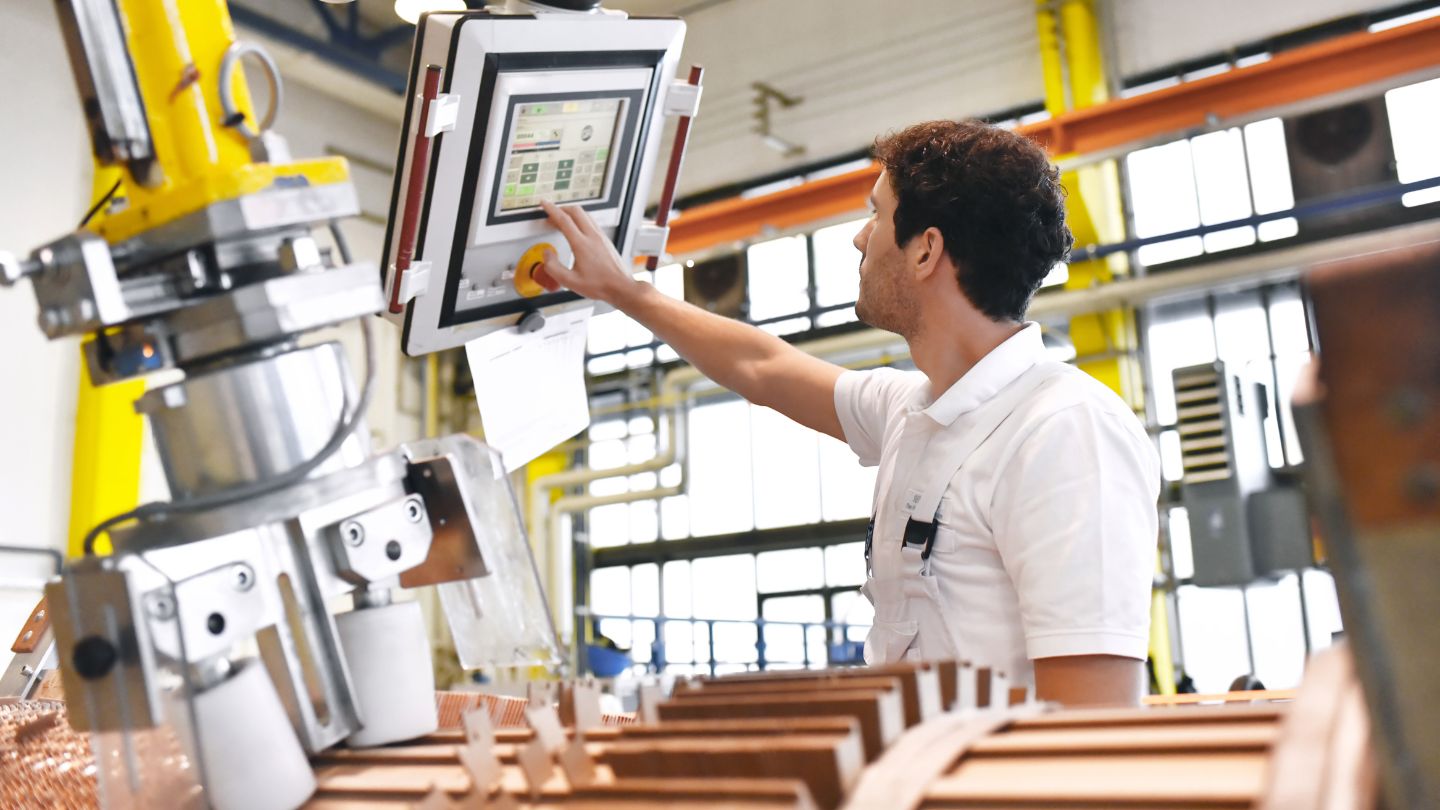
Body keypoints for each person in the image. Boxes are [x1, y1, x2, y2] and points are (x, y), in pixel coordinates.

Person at [536, 119, 1160, 707]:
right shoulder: (914, 412)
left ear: (926, 251)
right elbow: (762, 368)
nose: (859, 238)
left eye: (877, 215)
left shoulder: (1063, 431)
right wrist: (623, 290)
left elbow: (1093, 716)